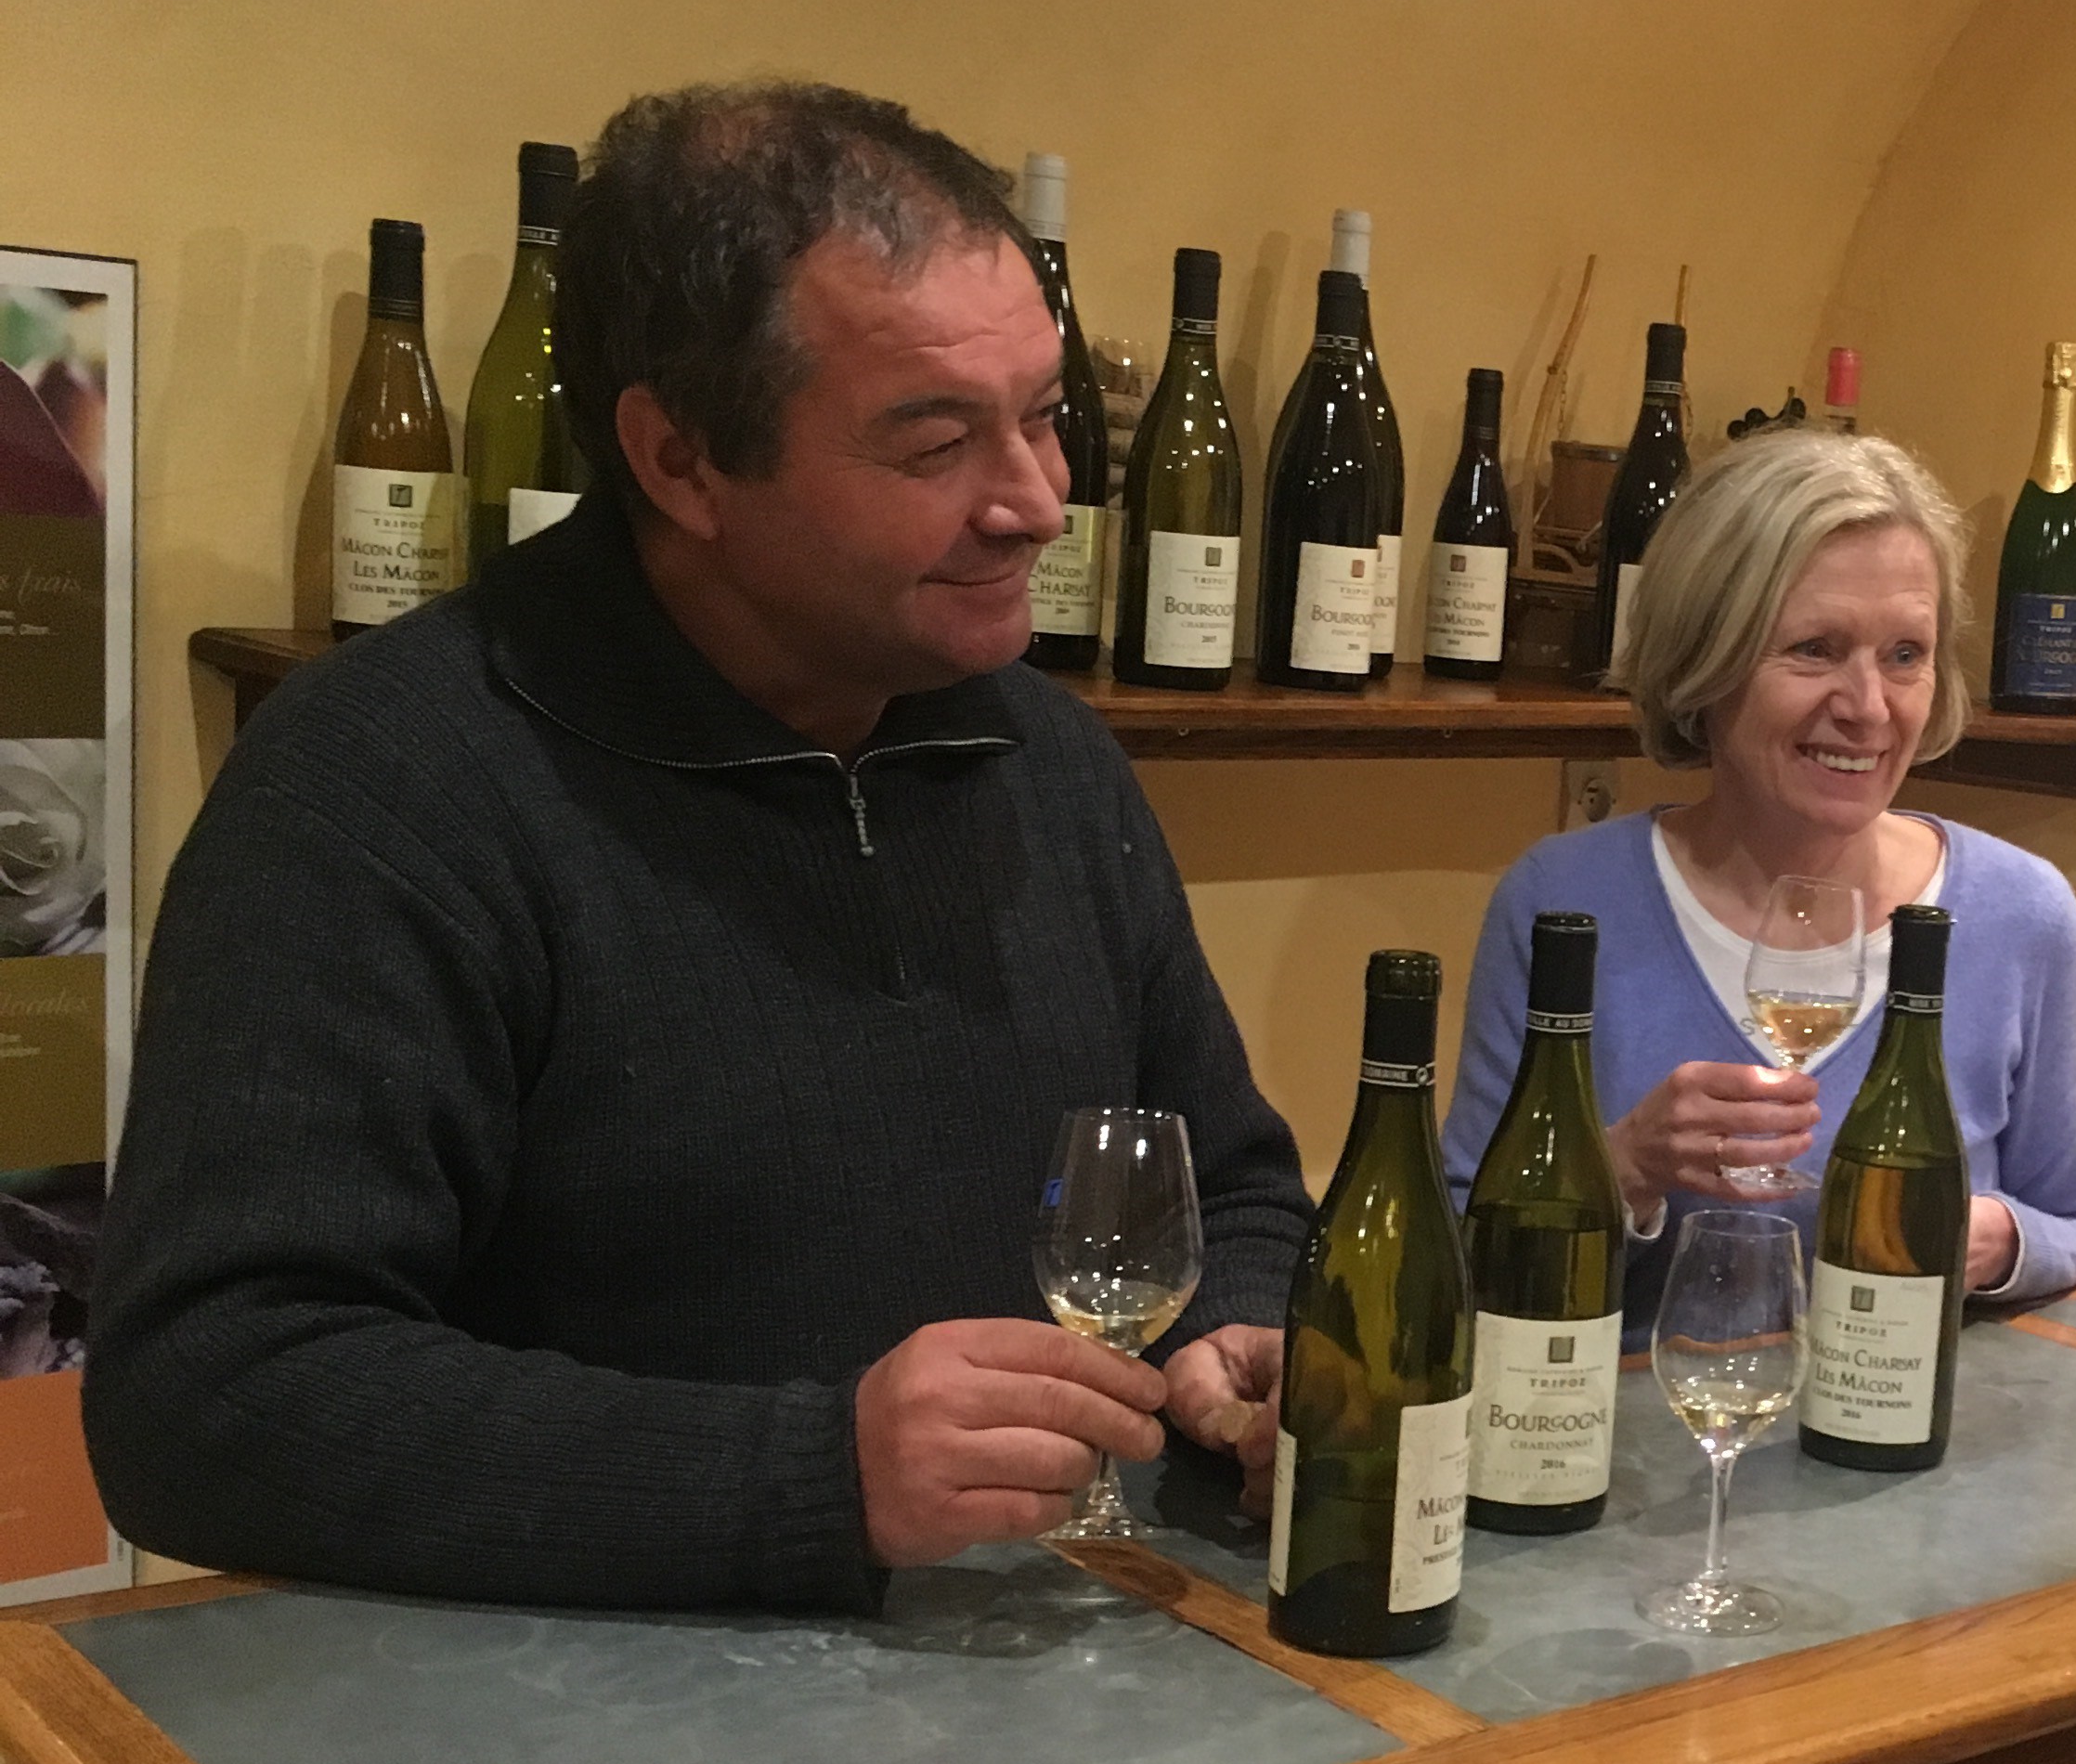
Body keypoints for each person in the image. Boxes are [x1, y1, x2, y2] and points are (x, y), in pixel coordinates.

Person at [88, 83, 1306, 1613]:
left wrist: (1238, 1333)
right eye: (936, 442)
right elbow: (207, 1395)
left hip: (1038, 1673)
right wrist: (810, 1475)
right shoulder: (383, 784)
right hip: (562, 1727)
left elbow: (1234, 1185)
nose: (1037, 502)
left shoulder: (1051, 763)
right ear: (679, 460)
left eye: (1046, 416)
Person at [1443, 427, 2076, 1330]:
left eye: (1905, 655)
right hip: (1633, 1417)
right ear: (1704, 659)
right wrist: (1622, 1167)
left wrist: (2001, 1239)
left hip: (1907, 1421)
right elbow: (1457, 1253)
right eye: (1814, 648)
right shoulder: (1563, 903)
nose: (1868, 708)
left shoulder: (2021, 914)